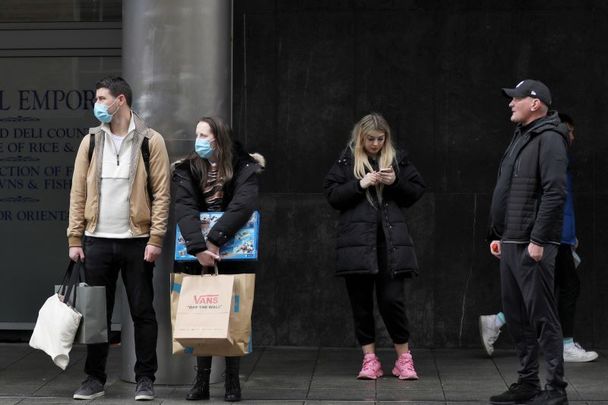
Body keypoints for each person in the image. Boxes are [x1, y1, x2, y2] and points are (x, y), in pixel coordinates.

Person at [67, 76, 171, 401]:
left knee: (142, 311)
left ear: (120, 100)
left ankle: (145, 379)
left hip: (137, 241)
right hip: (97, 240)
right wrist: (75, 238)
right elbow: (78, 192)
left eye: (101, 98)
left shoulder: (150, 140)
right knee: (96, 313)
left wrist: (155, 237)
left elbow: (163, 194)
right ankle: (94, 379)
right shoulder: (91, 141)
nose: (97, 104)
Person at [480, 113, 598, 363]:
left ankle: (498, 321)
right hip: (553, 236)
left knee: (545, 288)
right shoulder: (555, 150)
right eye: (571, 132)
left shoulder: (548, 149)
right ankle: (564, 344)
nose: (573, 137)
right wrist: (561, 236)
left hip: (556, 234)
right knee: (566, 287)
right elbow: (553, 198)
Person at [324, 113, 426, 381]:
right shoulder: (347, 159)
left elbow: (416, 191)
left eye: (381, 139)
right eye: (371, 139)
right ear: (361, 137)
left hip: (390, 242)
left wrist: (395, 183)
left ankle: (404, 359)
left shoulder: (396, 158)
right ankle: (370, 360)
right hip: (356, 244)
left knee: (392, 300)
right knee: (361, 303)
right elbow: (332, 195)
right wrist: (360, 184)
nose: (376, 144)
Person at [487, 80, 569, 405]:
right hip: (511, 240)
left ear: (535, 103)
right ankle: (528, 383)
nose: (511, 104)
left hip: (532, 244)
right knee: (517, 315)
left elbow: (555, 192)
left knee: (542, 317)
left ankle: (556, 389)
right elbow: (507, 189)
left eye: (516, 99)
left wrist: (538, 240)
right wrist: (498, 234)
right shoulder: (522, 137)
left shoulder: (550, 139)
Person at [173, 116, 264, 402]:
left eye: (204, 134)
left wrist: (214, 240)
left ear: (219, 139)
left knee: (233, 315)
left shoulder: (244, 165)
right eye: (197, 133)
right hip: (196, 255)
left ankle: (232, 382)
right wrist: (199, 248)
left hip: (233, 253)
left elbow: (243, 204)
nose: (198, 140)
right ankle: (201, 382)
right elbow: (184, 207)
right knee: (201, 315)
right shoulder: (187, 168)